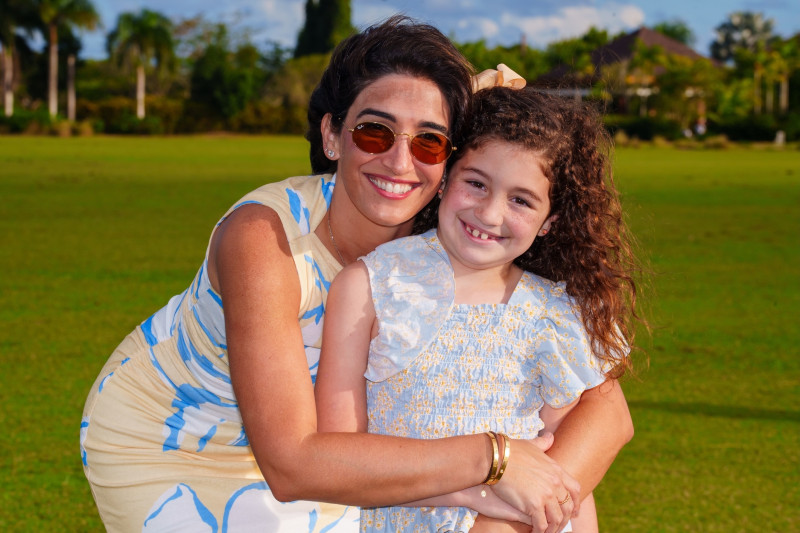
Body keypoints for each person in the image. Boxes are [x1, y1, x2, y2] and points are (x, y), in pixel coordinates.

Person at [80, 15, 632, 533]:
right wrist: (495, 464)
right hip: (178, 440)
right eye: (374, 132)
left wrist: (511, 512)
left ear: (449, 161)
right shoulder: (264, 240)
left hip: (339, 460)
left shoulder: (453, 229)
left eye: (429, 141)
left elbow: (605, 412)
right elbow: (294, 464)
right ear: (331, 135)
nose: (399, 161)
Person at [315, 86, 643, 533]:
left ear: (550, 221)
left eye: (521, 200)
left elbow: (567, 484)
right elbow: (340, 455)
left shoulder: (553, 314)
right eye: (476, 183)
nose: (489, 213)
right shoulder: (369, 285)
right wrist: (478, 486)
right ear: (446, 178)